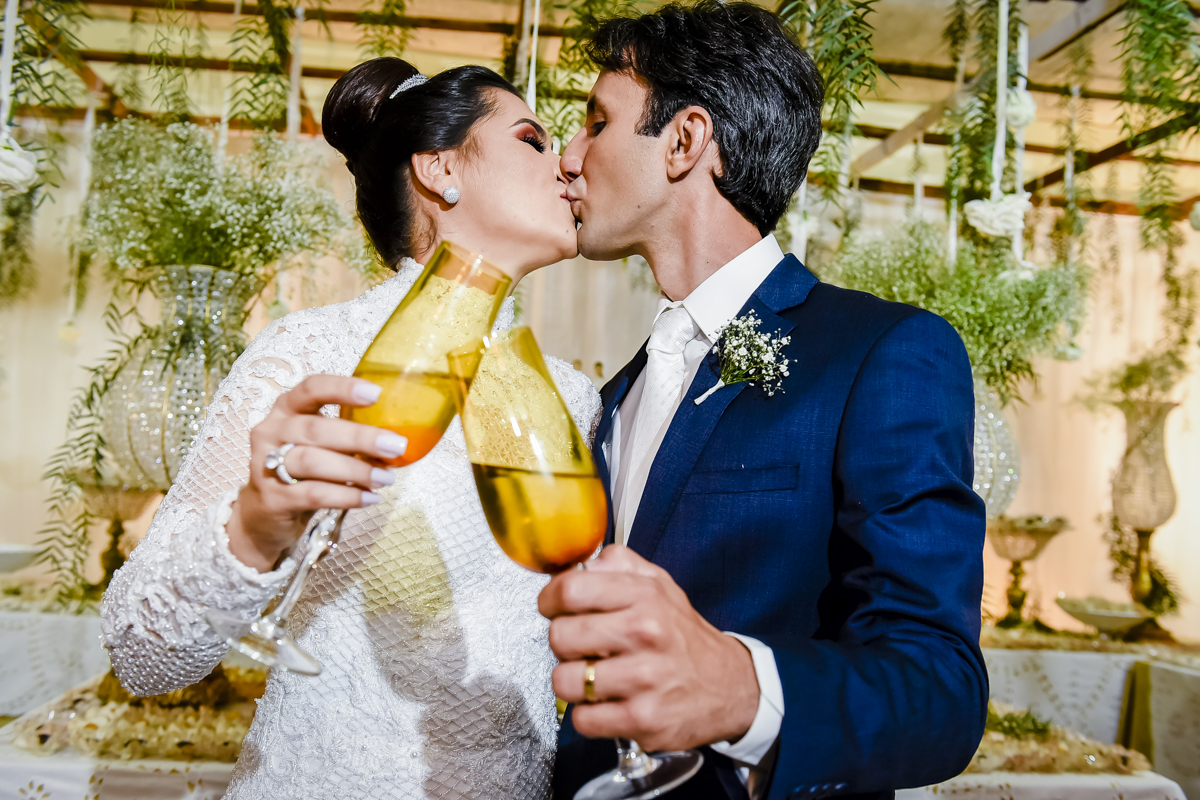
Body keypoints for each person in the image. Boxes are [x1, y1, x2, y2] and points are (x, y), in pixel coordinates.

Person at [100, 58, 599, 799]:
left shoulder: (574, 395)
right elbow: (143, 658)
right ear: (436, 170)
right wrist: (256, 529)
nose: (564, 164)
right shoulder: (312, 356)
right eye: (532, 138)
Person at [542, 4, 989, 799]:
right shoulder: (611, 393)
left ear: (684, 142)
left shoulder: (883, 352)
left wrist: (742, 691)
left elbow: (942, 690)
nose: (568, 161)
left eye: (595, 123)